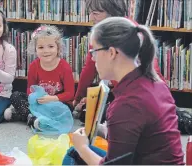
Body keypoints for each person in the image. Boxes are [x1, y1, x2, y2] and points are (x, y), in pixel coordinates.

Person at [63, 17, 184, 165]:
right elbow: (142, 138)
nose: (93, 59)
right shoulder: (155, 83)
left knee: (75, 153)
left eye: (94, 51)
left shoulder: (126, 104)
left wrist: (82, 147)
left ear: (112, 53)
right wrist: (105, 130)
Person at [73, 0, 165, 110]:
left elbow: (152, 72)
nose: (91, 18)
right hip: (124, 95)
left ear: (111, 13)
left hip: (142, 98)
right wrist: (78, 99)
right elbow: (89, 67)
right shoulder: (102, 31)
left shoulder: (132, 33)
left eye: (96, 13)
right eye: (90, 13)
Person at [5, 25, 75, 130]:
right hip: (39, 102)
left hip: (57, 103)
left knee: (68, 109)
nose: (46, 51)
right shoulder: (34, 66)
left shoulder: (64, 67)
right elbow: (30, 88)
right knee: (15, 95)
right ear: (35, 49)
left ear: (58, 48)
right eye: (41, 47)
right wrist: (36, 98)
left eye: (50, 46)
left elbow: (70, 94)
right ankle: (32, 118)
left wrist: (52, 99)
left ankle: (22, 115)